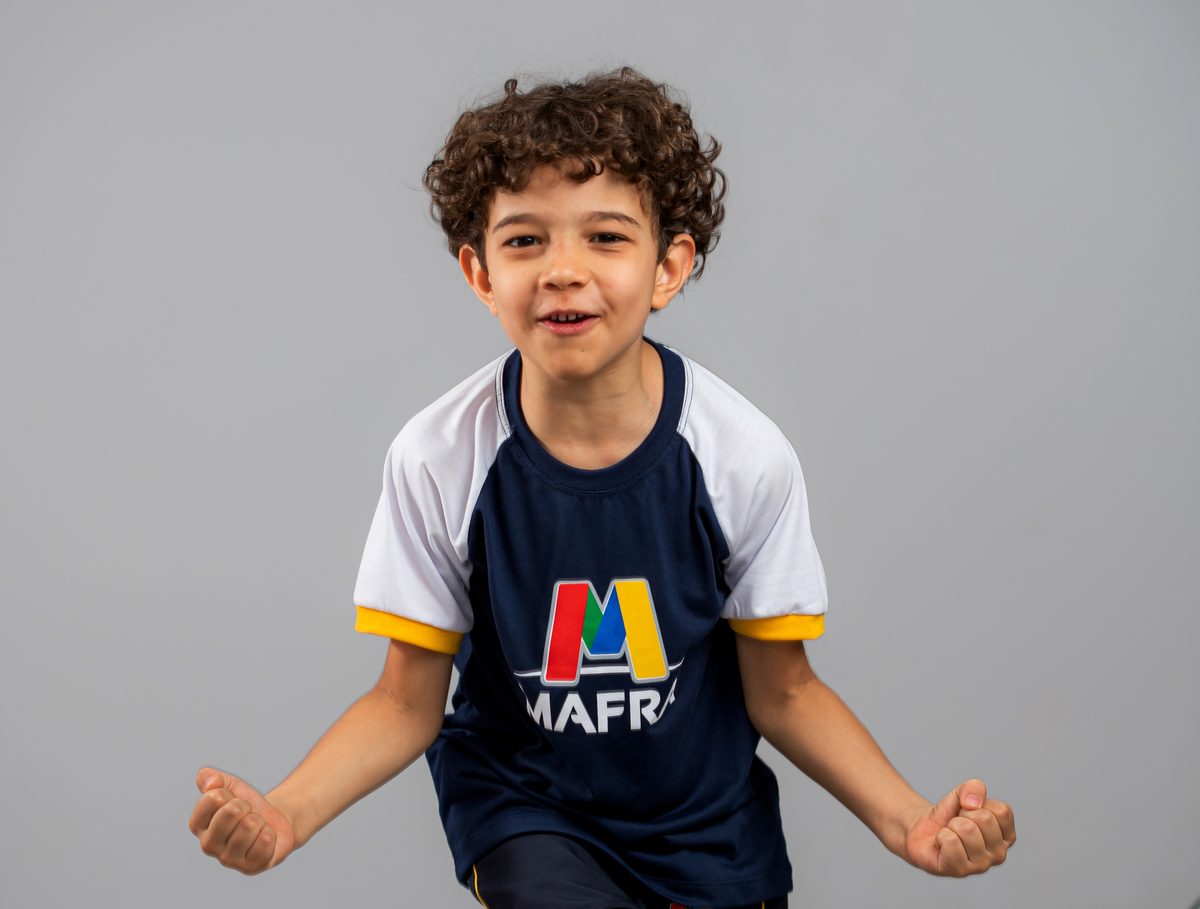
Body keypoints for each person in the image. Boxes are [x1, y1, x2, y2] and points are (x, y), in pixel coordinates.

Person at [188, 68, 1015, 909]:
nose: (562, 270)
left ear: (669, 267)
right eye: (524, 240)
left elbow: (786, 690)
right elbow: (404, 702)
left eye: (606, 237)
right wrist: (287, 811)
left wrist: (908, 819)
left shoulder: (742, 456)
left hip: (709, 836)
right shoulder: (439, 456)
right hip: (526, 807)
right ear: (480, 273)